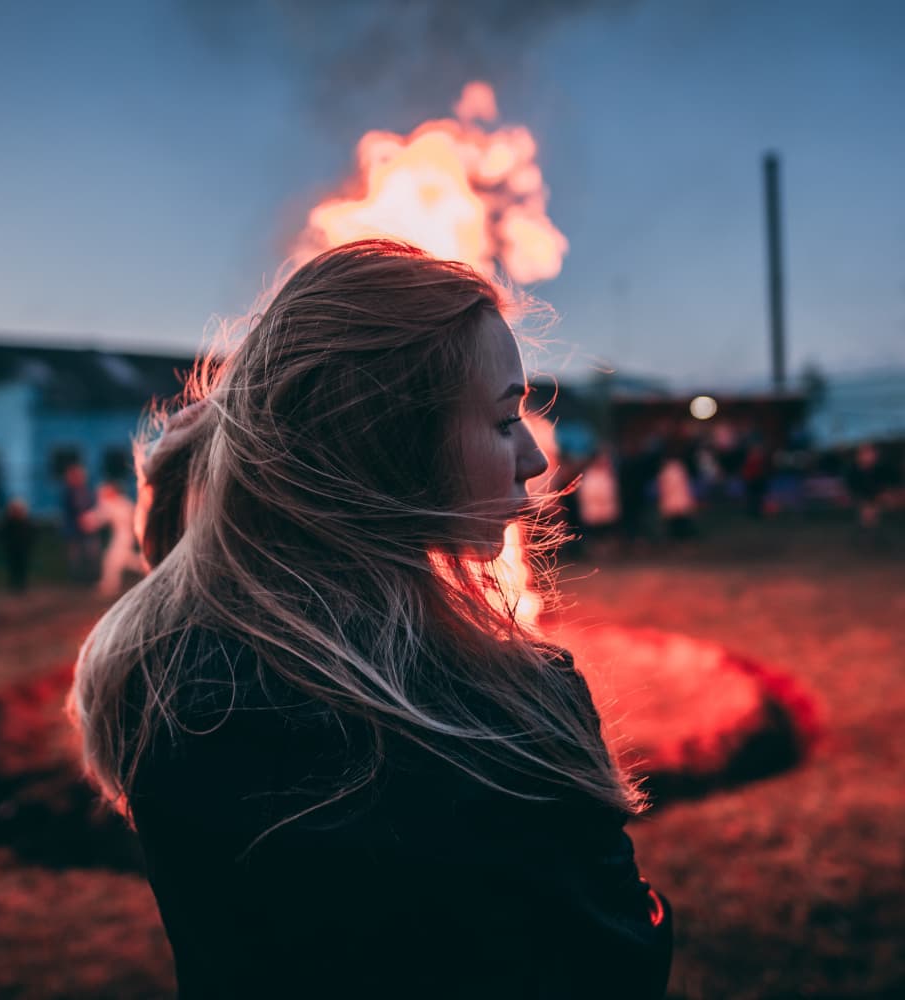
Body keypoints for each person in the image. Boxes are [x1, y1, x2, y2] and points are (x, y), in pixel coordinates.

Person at [69, 241, 672, 998]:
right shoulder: (510, 714)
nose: (534, 458)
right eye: (502, 419)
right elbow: (616, 967)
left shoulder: (159, 676)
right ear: (390, 449)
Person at [79, 479, 142, 597]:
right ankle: (148, 567)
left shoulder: (119, 503)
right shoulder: (119, 503)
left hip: (124, 536)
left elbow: (100, 516)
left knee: (113, 560)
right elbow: (101, 514)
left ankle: (110, 585)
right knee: (125, 560)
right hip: (122, 535)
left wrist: (89, 521)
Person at [59, 462, 99, 581]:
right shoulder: (69, 492)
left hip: (88, 528)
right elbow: (72, 509)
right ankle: (78, 578)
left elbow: (92, 507)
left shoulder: (86, 490)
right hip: (74, 529)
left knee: (91, 553)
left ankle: (91, 576)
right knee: (75, 555)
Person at [657, 447, 697, 540]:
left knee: (679, 520)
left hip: (675, 499)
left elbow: (666, 486)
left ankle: (683, 535)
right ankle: (681, 535)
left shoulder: (671, 470)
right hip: (676, 499)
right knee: (678, 521)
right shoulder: (677, 468)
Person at [0, 498, 36, 593]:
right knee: (13, 568)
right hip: (12, 549)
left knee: (22, 568)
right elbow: (3, 535)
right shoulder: (8, 521)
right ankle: (14, 585)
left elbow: (31, 535)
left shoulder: (26, 521)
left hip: (23, 549)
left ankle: (22, 586)